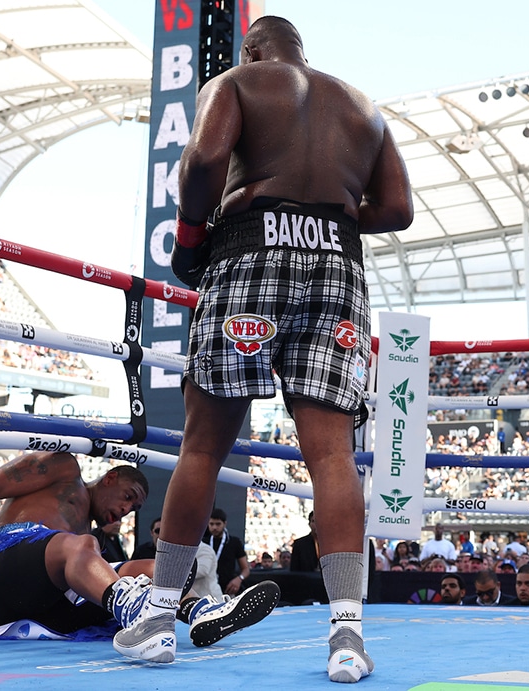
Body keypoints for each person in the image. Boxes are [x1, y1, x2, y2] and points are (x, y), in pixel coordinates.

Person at [113, 15, 413, 683]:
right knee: (332, 454)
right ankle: (348, 638)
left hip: (250, 250)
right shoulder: (363, 107)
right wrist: (323, 215)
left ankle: (160, 618)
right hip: (338, 264)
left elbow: (202, 161)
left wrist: (193, 232)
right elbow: (396, 209)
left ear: (254, 47)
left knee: (202, 445)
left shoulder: (237, 80)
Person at [0, 451, 276, 647]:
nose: (125, 510)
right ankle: (136, 610)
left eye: (133, 509)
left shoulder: (87, 536)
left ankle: (198, 613)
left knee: (153, 568)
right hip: (0, 574)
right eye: (128, 498)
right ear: (111, 478)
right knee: (82, 547)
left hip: (44, 608)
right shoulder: (65, 470)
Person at [202, 508, 251, 595]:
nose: (214, 527)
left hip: (228, 590)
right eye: (211, 524)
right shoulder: (203, 542)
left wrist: (239, 579)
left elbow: (245, 569)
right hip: (206, 590)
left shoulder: (234, 542)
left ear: (224, 524)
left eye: (218, 524)